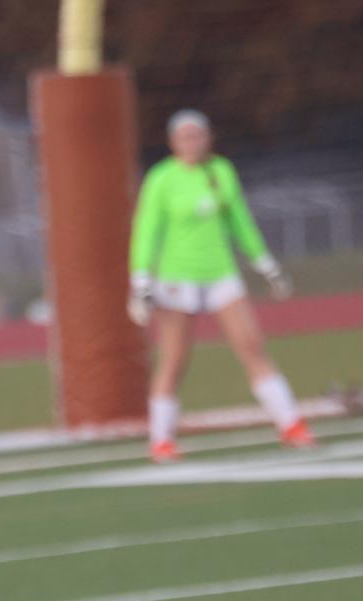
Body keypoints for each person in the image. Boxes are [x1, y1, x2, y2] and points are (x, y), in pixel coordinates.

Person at [129, 109, 316, 463]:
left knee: (251, 346)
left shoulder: (220, 172)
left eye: (197, 135)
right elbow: (146, 230)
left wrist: (265, 264)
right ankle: (161, 438)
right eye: (184, 137)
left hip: (220, 274)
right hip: (176, 278)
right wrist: (140, 279)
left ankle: (291, 424)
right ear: (172, 142)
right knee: (175, 357)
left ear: (208, 138)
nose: (191, 143)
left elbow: (239, 221)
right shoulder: (162, 178)